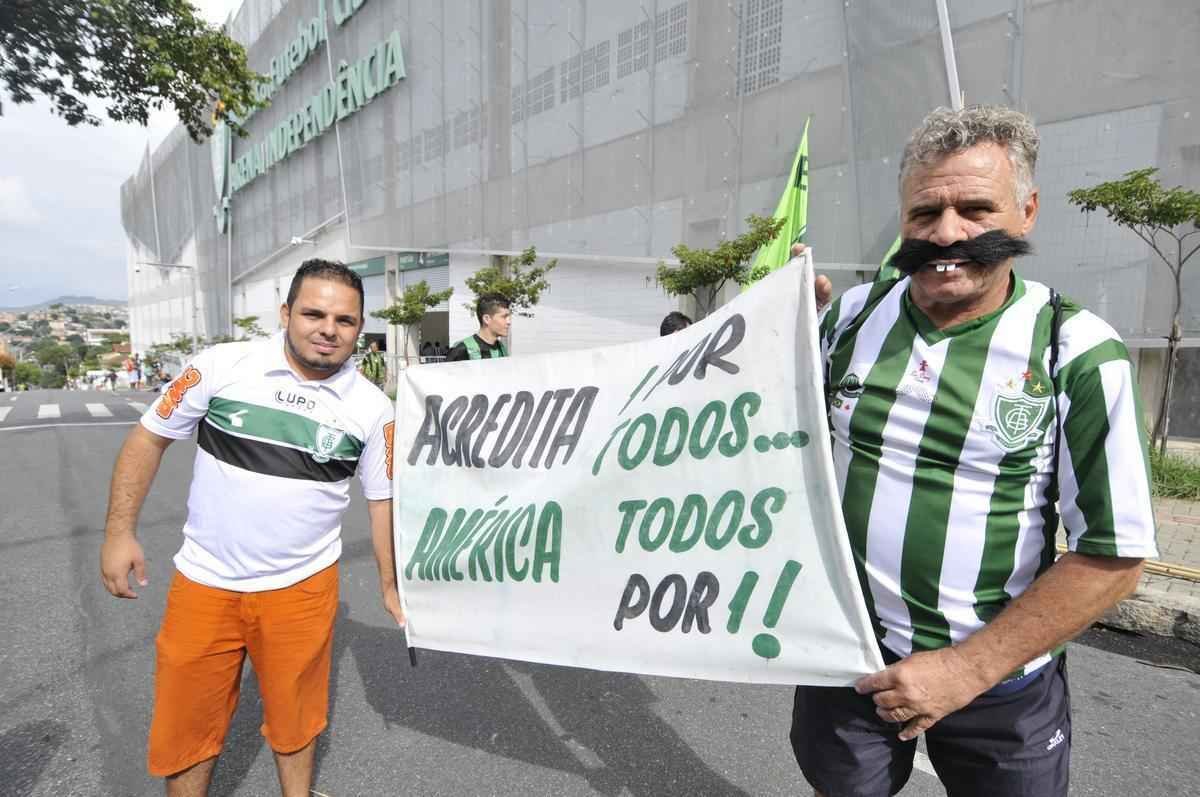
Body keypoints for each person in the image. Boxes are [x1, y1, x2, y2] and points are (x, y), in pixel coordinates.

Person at [790, 105, 1156, 797]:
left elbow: (1113, 553)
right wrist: (769, 328)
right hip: (848, 659)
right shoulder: (849, 317)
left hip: (1000, 684)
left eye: (975, 208)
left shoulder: (1076, 352)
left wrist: (963, 670)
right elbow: (767, 438)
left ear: (1027, 211)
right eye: (925, 212)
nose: (947, 232)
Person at [100, 259, 403, 797]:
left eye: (345, 320)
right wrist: (118, 533)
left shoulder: (375, 410)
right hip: (203, 583)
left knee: (297, 724)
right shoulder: (220, 365)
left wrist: (390, 585)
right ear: (286, 313)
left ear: (360, 327)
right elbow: (149, 438)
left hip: (302, 590)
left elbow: (383, 502)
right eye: (313, 313)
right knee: (188, 728)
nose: (328, 329)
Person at [447, 293, 511, 361]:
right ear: (487, 319)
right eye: (504, 317)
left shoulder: (501, 348)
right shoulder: (463, 350)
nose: (508, 322)